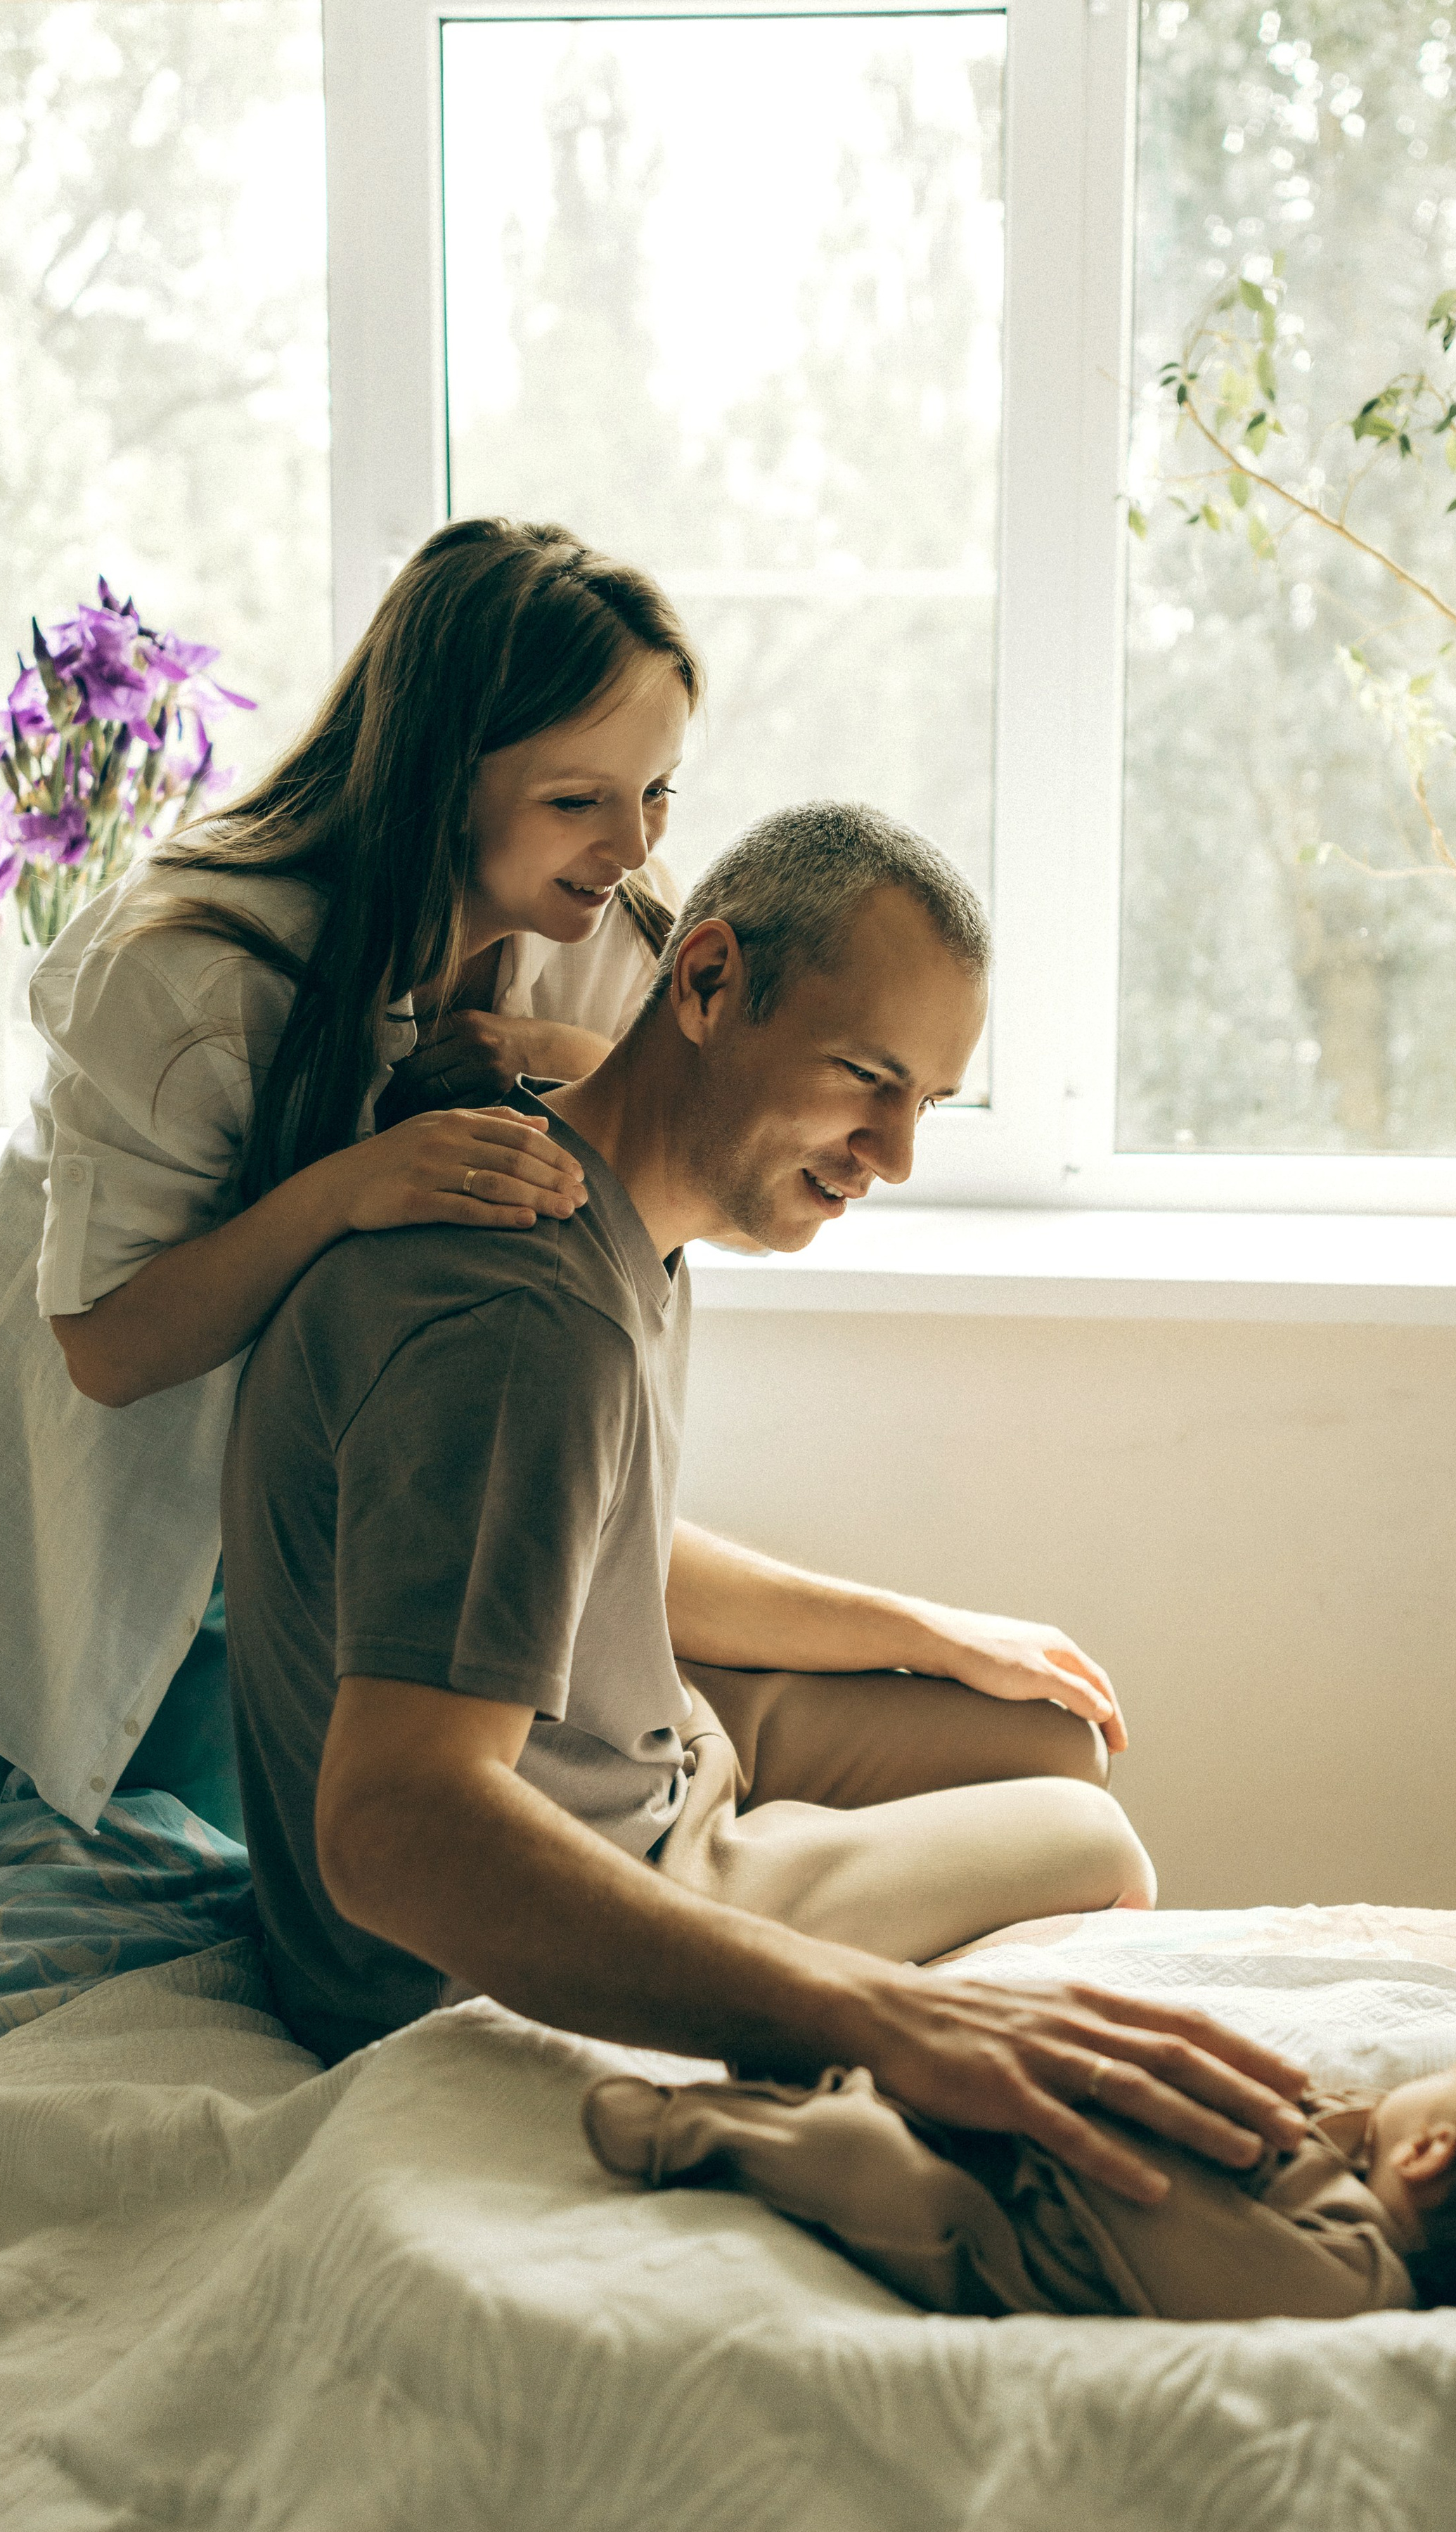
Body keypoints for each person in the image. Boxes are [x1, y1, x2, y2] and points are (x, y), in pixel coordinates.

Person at [220, 799, 1315, 2192]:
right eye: (864, 1075)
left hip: (656, 1755)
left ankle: (845, 1991)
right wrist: (883, 2015)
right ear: (706, 981)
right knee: (1089, 1840)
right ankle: (862, 2094)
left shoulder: (596, 1191)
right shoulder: (521, 1315)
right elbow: (393, 1830)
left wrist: (922, 1627)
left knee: (1045, 1733)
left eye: (925, 1099)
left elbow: (572, 1540)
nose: (895, 1153)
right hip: (496, 1928)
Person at [0, 518, 699, 1839]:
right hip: (143, 1490)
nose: (628, 844)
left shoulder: (611, 940)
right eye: (577, 799)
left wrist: (549, 1050)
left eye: (658, 793)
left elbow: (683, 1148)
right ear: (440, 779)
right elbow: (105, 1345)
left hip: (341, 1512)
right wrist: (350, 1186)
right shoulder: (194, 969)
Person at [585, 2037, 1456, 2321]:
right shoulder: (1347, 2183)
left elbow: (1167, 2214)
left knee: (867, 2166)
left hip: (1001, 2239)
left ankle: (694, 2129)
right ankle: (817, 2070)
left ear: (1432, 2151)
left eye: (1441, 2080)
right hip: (1035, 2161)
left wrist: (1101, 2110)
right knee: (884, 2099)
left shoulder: (1350, 2284)